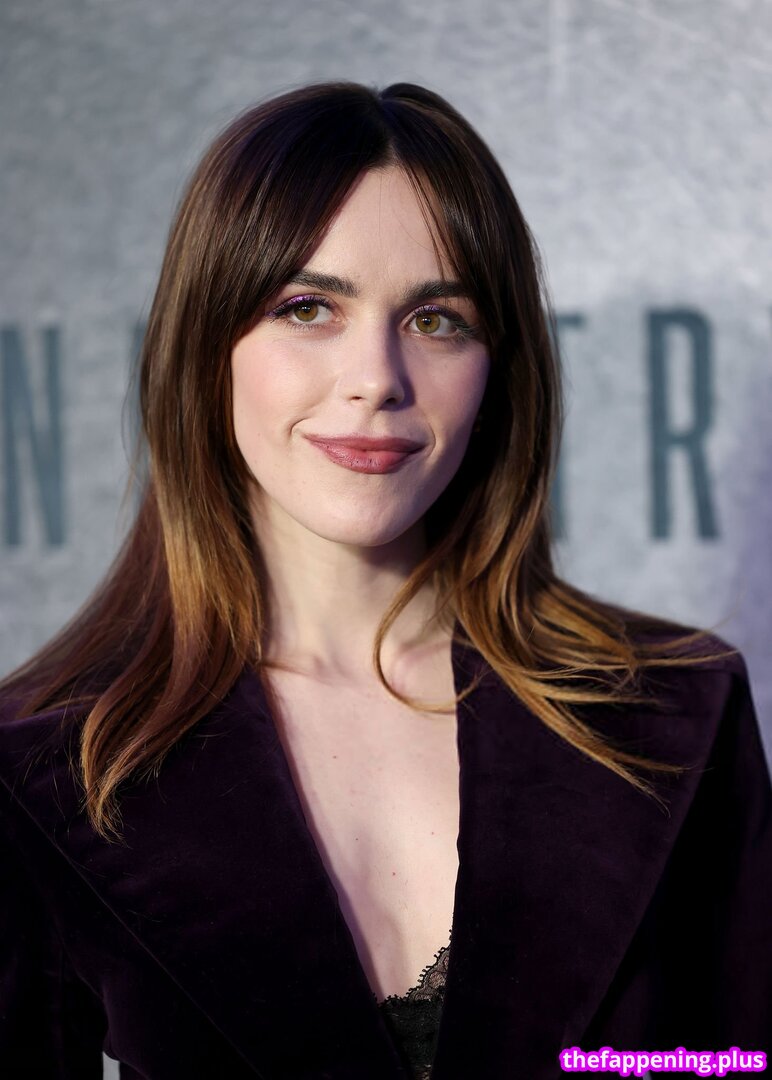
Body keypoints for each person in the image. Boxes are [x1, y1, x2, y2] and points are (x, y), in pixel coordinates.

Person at [0, 80, 769, 1080]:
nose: (377, 378)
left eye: (437, 319)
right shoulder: (48, 764)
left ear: (500, 367)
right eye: (307, 308)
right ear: (205, 348)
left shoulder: (677, 709)